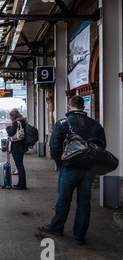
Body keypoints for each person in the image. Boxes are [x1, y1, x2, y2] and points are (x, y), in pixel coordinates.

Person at [39, 95, 106, 245]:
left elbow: (54, 147)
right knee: (84, 202)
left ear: (69, 107)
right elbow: (102, 147)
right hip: (88, 170)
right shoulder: (96, 125)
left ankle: (57, 227)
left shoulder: (62, 123)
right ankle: (79, 235)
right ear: (83, 107)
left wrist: (61, 163)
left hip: (69, 168)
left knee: (63, 199)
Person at [6, 108, 28, 190]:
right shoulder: (23, 121)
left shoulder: (16, 123)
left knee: (19, 166)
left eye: (10, 117)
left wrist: (8, 127)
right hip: (21, 146)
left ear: (13, 117)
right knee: (20, 166)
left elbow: (11, 133)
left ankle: (22, 185)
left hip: (17, 147)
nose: (10, 118)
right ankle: (20, 183)